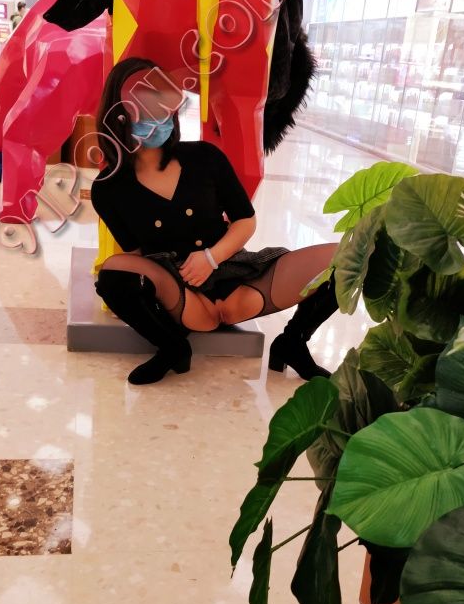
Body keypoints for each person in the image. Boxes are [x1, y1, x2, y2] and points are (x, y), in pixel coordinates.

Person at [90, 58, 340, 385]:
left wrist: (210, 258)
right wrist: (150, 297)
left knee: (345, 259)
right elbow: (137, 256)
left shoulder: (205, 158)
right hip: (180, 292)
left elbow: (245, 221)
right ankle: (172, 347)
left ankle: (292, 343)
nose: (157, 122)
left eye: (163, 110)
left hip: (236, 274)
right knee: (112, 274)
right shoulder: (108, 189)